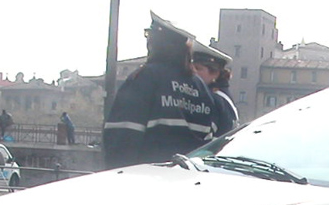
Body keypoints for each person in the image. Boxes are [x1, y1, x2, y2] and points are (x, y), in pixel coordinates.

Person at [102, 11, 217, 169]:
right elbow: (207, 146)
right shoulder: (201, 87)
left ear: (155, 43)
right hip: (188, 181)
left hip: (149, 179)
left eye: (149, 36)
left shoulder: (145, 78)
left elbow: (122, 138)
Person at [191, 40, 239, 135]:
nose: (193, 72)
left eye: (198, 68)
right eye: (192, 68)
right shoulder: (220, 95)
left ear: (215, 73)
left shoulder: (214, 99)